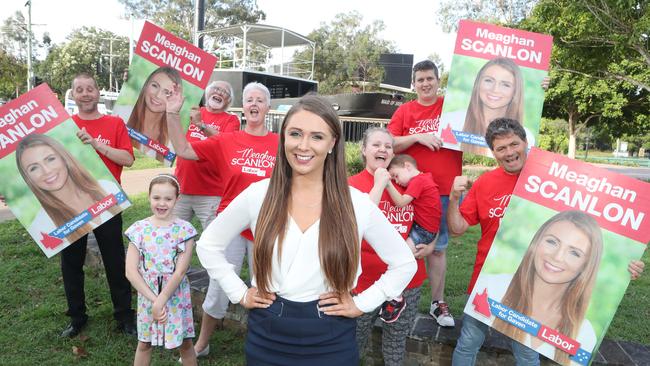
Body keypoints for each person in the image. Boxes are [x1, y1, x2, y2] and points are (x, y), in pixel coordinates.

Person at [195, 95, 417, 365]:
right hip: (267, 336)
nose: (303, 145)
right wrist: (238, 292)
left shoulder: (357, 203)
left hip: (332, 338)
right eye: (295, 134)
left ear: (333, 142)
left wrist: (362, 303)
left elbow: (405, 263)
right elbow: (208, 245)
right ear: (284, 138)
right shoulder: (258, 195)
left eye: (316, 137)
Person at [448, 117, 645, 366]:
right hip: (486, 283)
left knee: (527, 354)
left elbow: (590, 226)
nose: (509, 152)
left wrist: (625, 267)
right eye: (501, 148)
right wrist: (454, 198)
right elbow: (456, 230)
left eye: (514, 144)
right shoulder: (485, 182)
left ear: (525, 142)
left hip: (538, 294)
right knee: (467, 343)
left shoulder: (553, 180)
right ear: (493, 152)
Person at [165, 81, 278, 358]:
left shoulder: (280, 143)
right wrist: (171, 114)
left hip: (266, 226)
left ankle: (265, 344)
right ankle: (202, 344)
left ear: (268, 107)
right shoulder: (227, 140)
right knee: (218, 284)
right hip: (231, 225)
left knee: (266, 285)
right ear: (244, 107)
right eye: (249, 100)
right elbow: (184, 150)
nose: (254, 104)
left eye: (259, 100)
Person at [49, 72, 136, 338]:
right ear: (73, 95)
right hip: (71, 205)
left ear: (98, 92)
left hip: (107, 202)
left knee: (114, 260)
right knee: (71, 263)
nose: (85, 93)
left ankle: (124, 316)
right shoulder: (63, 127)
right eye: (79, 89)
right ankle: (77, 318)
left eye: (90, 88)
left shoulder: (114, 123)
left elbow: (128, 159)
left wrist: (97, 145)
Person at [349, 127, 434, 365]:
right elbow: (353, 227)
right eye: (376, 145)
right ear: (364, 150)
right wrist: (379, 183)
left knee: (396, 344)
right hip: (364, 280)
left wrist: (430, 244)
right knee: (354, 340)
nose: (383, 150)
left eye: (388, 146)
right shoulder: (351, 184)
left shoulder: (407, 181)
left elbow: (430, 217)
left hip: (406, 281)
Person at [388, 59, 463, 327]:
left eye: (430, 78)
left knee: (438, 249)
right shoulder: (406, 111)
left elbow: (491, 108)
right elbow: (391, 142)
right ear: (414, 84)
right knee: (400, 245)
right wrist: (418, 137)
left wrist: (536, 86)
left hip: (442, 190)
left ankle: (437, 302)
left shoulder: (451, 107)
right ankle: (393, 295)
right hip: (407, 191)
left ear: (438, 80)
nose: (425, 83)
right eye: (420, 80)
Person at [489, 211, 601, 365]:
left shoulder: (584, 333)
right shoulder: (490, 287)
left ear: (586, 266)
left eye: (574, 253)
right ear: (536, 241)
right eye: (552, 242)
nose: (557, 257)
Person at [125, 174, 197, 366]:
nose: (162, 203)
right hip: (147, 294)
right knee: (144, 343)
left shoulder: (184, 230)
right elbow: (131, 272)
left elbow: (180, 271)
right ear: (149, 197)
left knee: (185, 343)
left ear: (177, 199)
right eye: (156, 198)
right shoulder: (138, 229)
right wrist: (154, 301)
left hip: (174, 294)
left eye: (168, 198)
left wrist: (162, 299)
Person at [16, 134, 123, 244]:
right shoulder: (41, 224)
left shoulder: (106, 187)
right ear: (28, 178)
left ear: (64, 158)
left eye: (50, 159)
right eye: (34, 168)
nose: (46, 171)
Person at [372, 154, 441, 323]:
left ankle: (397, 297)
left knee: (400, 260)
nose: (397, 181)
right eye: (393, 178)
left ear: (407, 166)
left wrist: (387, 184)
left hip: (423, 232)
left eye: (396, 175)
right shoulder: (426, 179)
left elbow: (401, 202)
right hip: (424, 229)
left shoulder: (418, 181)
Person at [173, 80, 240, 230]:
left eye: (225, 92)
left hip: (211, 193)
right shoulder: (193, 110)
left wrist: (201, 125)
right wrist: (132, 81)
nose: (219, 92)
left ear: (228, 101)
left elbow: (226, 143)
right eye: (216, 88)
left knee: (213, 239)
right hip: (181, 188)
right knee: (174, 236)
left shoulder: (231, 119)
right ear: (207, 92)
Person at [127, 66, 182, 159]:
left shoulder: (173, 140)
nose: (158, 95)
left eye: (167, 92)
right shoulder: (122, 113)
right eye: (155, 85)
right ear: (146, 85)